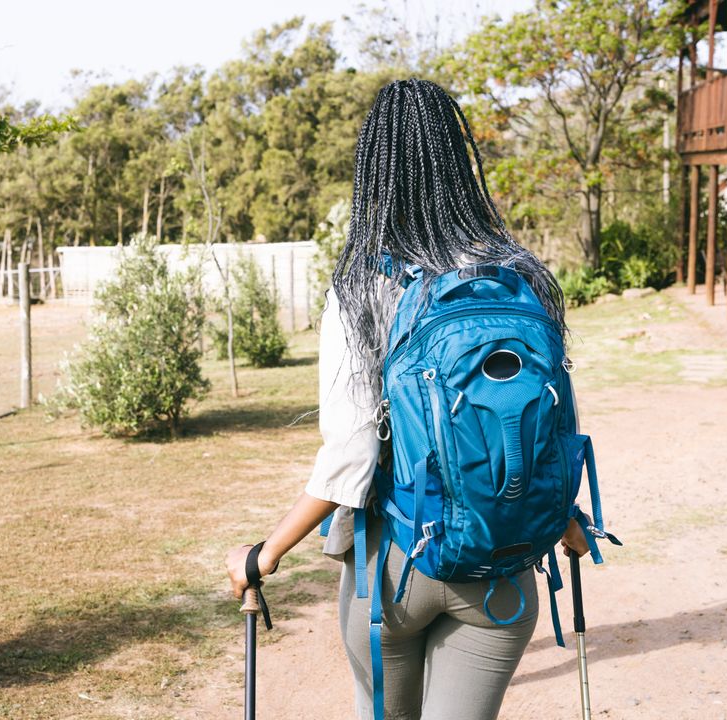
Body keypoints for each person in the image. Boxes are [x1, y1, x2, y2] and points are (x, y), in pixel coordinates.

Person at [225, 78, 590, 720]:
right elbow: (549, 420)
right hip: (501, 565)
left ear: (374, 170)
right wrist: (563, 515)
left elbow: (355, 449)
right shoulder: (522, 275)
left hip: (393, 571)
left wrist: (268, 551)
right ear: (458, 159)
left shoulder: (365, 283)